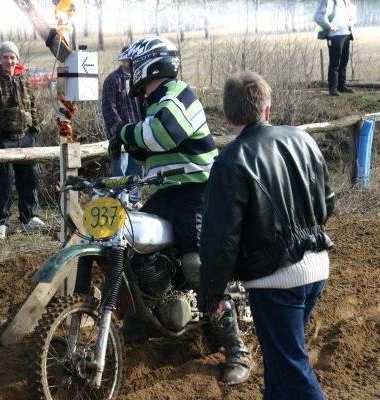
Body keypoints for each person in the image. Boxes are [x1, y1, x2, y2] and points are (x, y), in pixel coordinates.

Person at [108, 35, 251, 385]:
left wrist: (123, 131)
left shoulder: (178, 93)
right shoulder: (154, 103)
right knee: (129, 246)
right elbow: (147, 149)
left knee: (198, 267)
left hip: (197, 191)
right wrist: (128, 141)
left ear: (149, 64)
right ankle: (141, 321)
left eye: (131, 66)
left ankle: (237, 349)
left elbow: (163, 135)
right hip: (165, 193)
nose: (128, 73)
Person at [199, 71, 336, 398]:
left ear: (227, 117)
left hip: (275, 282)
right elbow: (328, 200)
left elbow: (221, 238)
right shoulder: (303, 139)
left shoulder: (230, 161)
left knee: (292, 370)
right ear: (267, 109)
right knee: (280, 368)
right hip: (317, 267)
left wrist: (212, 294)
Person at [0, 41, 45, 240]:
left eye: (12, 57)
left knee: (30, 178)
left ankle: (29, 218)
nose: (9, 61)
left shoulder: (24, 79)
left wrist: (34, 130)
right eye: (5, 57)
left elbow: (33, 105)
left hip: (26, 138)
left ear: (17, 59)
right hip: (3, 140)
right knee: (3, 182)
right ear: (0, 59)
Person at [101, 46, 143, 205]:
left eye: (132, 60)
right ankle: (119, 201)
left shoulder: (139, 79)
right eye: (127, 59)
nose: (129, 63)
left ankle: (134, 201)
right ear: (122, 60)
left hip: (138, 132)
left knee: (137, 169)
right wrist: (119, 130)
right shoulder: (112, 80)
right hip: (120, 134)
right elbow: (109, 108)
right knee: (120, 170)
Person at [315, 0, 356, 96]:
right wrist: (329, 26)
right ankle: (333, 89)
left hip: (346, 34)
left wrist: (352, 21)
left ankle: (342, 86)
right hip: (334, 36)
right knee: (335, 63)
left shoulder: (346, 1)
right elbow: (318, 17)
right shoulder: (327, 1)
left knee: (344, 61)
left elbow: (353, 12)